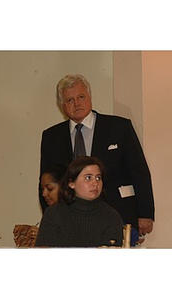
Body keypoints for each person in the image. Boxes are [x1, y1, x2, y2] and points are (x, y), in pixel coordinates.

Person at [39, 74, 155, 239]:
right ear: (61, 106)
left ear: (90, 97)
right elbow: (46, 180)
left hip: (118, 214)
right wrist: (50, 216)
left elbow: (139, 171)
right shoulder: (52, 136)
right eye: (69, 100)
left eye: (81, 97)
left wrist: (145, 213)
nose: (77, 103)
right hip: (69, 220)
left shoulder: (119, 127)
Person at [35, 156, 124, 247]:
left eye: (98, 178)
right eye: (88, 178)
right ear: (71, 183)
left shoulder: (111, 216)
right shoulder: (54, 214)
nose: (95, 183)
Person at [13, 164, 67, 247]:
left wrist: (44, 237)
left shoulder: (74, 214)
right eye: (42, 189)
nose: (44, 194)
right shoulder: (50, 213)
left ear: (64, 187)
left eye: (49, 189)